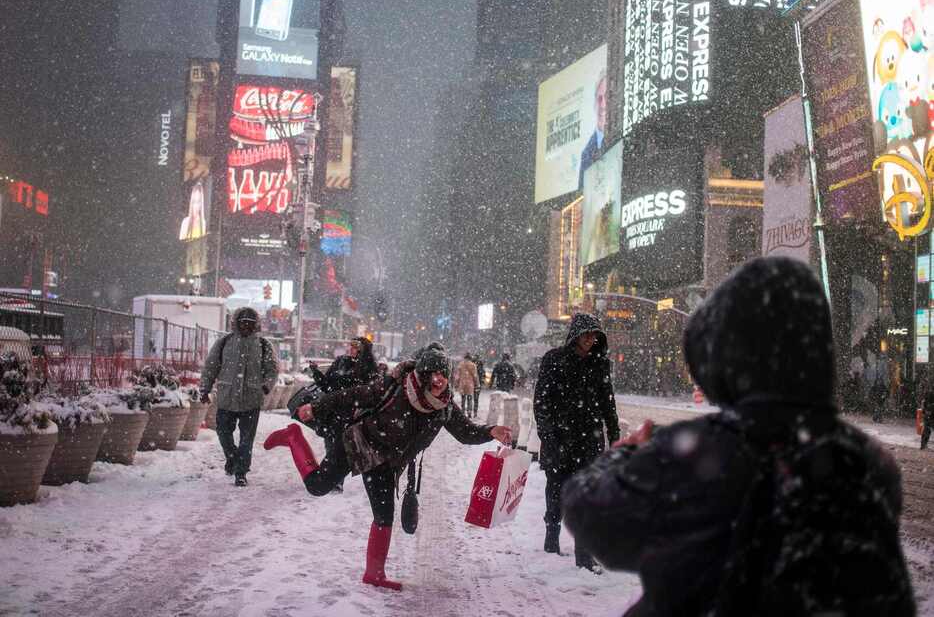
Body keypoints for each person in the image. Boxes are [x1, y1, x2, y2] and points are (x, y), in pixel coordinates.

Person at [561, 257, 916, 616]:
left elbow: (588, 513)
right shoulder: (867, 460)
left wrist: (623, 454)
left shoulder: (699, 451)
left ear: (725, 356)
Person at [263, 344, 512, 590]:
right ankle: (293, 436)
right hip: (358, 443)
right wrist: (316, 407)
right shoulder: (395, 386)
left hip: (385, 462)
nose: (439, 380)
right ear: (421, 375)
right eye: (433, 374)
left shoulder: (444, 407)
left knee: (384, 516)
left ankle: (374, 574)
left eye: (444, 375)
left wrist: (491, 431)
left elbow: (465, 432)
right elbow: (353, 395)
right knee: (317, 486)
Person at [533, 313, 620, 572]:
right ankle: (552, 532)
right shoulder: (554, 359)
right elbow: (542, 401)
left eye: (594, 335)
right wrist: (547, 434)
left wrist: (614, 433)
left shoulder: (600, 364)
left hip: (590, 440)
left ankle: (584, 554)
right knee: (556, 489)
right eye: (586, 334)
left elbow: (608, 400)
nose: (591, 339)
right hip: (559, 438)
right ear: (575, 335)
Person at [200, 307, 278, 487]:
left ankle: (241, 472)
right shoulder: (224, 342)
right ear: (236, 323)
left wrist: (266, 385)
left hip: (251, 399)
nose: (246, 327)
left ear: (255, 325)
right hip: (226, 398)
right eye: (243, 323)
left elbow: (272, 369)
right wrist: (205, 389)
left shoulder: (263, 345)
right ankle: (233, 457)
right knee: (223, 433)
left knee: (246, 439)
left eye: (250, 324)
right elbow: (211, 367)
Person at [306, 336, 380, 493]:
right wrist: (316, 372)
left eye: (355, 347)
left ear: (363, 350)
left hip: (352, 414)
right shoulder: (341, 362)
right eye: (351, 346)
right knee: (330, 444)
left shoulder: (369, 368)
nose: (351, 349)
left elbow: (371, 393)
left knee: (340, 447)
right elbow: (326, 384)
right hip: (333, 411)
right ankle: (331, 478)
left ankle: (336, 481)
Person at [577, 68, 607, 192]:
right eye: (599, 98)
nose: (603, 105)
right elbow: (581, 196)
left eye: (607, 97)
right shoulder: (586, 153)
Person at [454, 352, 480, 418]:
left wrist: (456, 383)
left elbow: (457, 376)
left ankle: (462, 412)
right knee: (469, 399)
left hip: (462, 384)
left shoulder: (460, 364)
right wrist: (477, 384)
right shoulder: (473, 365)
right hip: (470, 385)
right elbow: (475, 376)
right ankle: (469, 412)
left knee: (463, 399)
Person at [920, 371, 934, 450]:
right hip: (930, 413)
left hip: (928, 413)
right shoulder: (930, 393)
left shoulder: (928, 392)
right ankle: (923, 445)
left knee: (927, 429)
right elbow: (925, 402)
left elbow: (924, 402)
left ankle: (923, 445)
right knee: (927, 429)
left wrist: (924, 411)